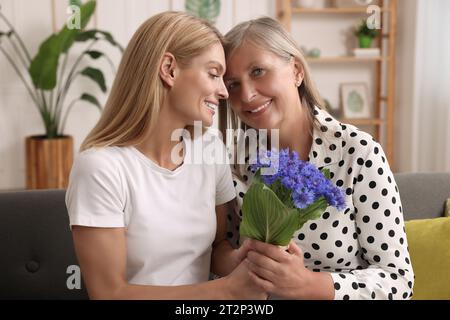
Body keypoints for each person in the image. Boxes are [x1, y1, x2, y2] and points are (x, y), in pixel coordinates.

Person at [65, 11, 266, 300]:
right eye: (213, 74)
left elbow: (217, 246)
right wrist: (226, 290)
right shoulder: (101, 167)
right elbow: (108, 293)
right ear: (169, 69)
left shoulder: (210, 148)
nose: (223, 92)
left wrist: (242, 262)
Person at [220, 17, 414, 300]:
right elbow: (219, 250)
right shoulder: (230, 161)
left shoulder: (358, 153)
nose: (247, 94)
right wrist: (240, 261)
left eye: (258, 71)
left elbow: (398, 280)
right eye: (233, 84)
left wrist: (308, 284)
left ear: (296, 71)